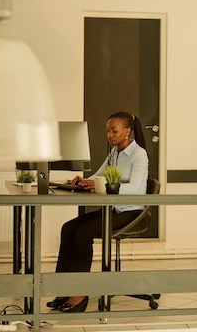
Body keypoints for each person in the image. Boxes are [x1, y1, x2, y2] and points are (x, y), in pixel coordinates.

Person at [47, 111, 149, 313]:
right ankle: (63, 288)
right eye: (108, 131)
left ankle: (79, 293)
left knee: (83, 232)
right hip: (113, 210)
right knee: (69, 228)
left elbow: (136, 189)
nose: (109, 135)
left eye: (114, 130)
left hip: (130, 212)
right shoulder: (114, 153)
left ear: (127, 131)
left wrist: (102, 185)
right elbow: (99, 174)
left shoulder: (139, 155)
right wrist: (84, 180)